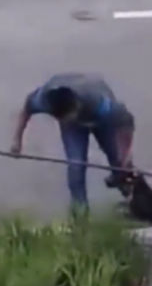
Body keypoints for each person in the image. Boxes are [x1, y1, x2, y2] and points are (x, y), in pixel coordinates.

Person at [10, 73, 136, 210]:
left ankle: (133, 198)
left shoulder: (99, 102)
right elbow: (26, 109)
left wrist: (126, 153)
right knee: (76, 164)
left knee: (118, 158)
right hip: (73, 125)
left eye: (68, 116)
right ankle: (80, 209)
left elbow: (126, 121)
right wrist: (17, 140)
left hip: (99, 116)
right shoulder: (43, 100)